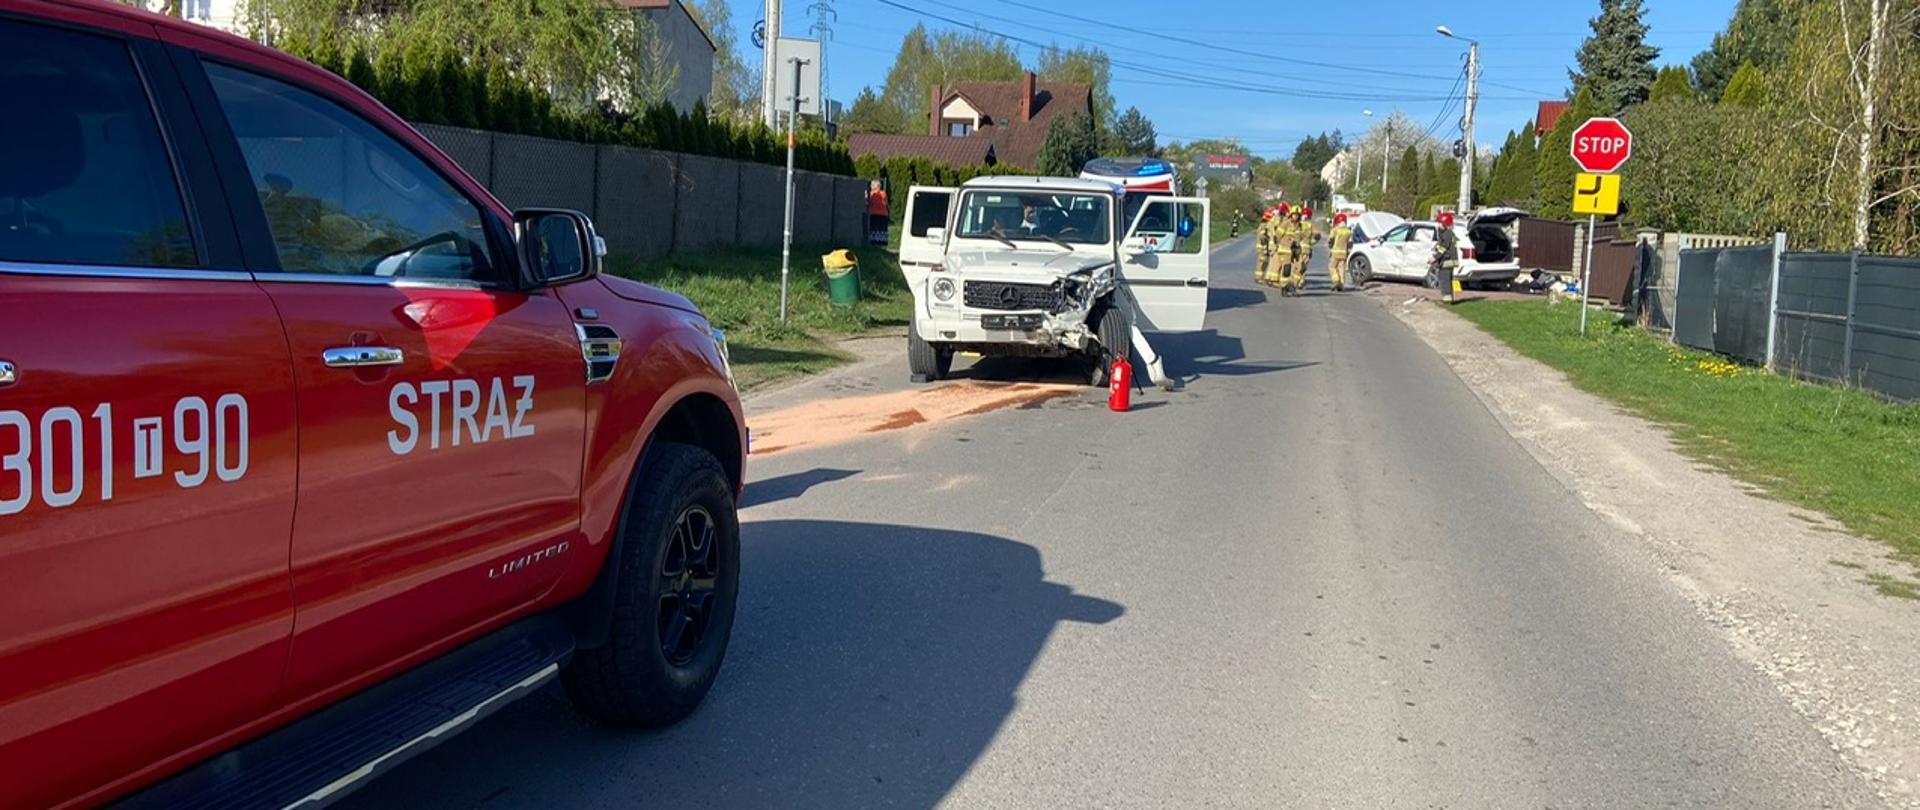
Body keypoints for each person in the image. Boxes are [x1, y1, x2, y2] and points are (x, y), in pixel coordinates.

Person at [1433, 211, 1461, 304]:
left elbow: (1443, 249)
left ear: (1445, 223)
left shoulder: (1447, 234)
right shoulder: (1448, 233)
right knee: (1446, 280)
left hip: (1447, 261)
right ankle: (1447, 299)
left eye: (1440, 223)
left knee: (1444, 281)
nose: (1438, 225)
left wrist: (1435, 258)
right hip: (1448, 261)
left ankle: (1447, 300)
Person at [1327, 213, 1353, 292]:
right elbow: (1350, 243)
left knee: (1332, 267)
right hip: (1344, 253)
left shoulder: (1335, 230)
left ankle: (1336, 280)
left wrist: (1330, 248)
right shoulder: (1349, 231)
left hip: (1335, 252)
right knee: (1341, 268)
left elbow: (1330, 240)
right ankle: (1341, 284)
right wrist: (1348, 251)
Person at [866, 180, 889, 245]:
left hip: (873, 213)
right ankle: (882, 242)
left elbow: (869, 203)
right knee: (882, 229)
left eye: (872, 185)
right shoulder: (883, 193)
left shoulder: (871, 194)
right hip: (883, 214)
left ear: (875, 186)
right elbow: (886, 203)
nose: (871, 186)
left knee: (874, 229)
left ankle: (874, 242)